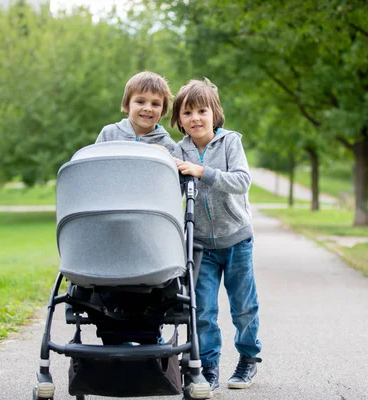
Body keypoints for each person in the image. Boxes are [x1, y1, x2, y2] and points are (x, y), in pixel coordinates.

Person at [171, 78, 262, 392]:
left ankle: (248, 358)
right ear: (179, 120)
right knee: (204, 310)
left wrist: (202, 171)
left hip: (237, 238)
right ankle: (208, 368)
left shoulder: (230, 143)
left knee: (243, 307)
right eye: (187, 113)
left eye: (201, 110)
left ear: (214, 114)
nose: (195, 118)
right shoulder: (178, 150)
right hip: (200, 245)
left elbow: (241, 181)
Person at [94, 71, 178, 155]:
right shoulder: (109, 134)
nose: (148, 109)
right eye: (140, 102)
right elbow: (94, 164)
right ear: (127, 105)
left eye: (155, 104)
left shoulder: (168, 146)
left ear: (163, 110)